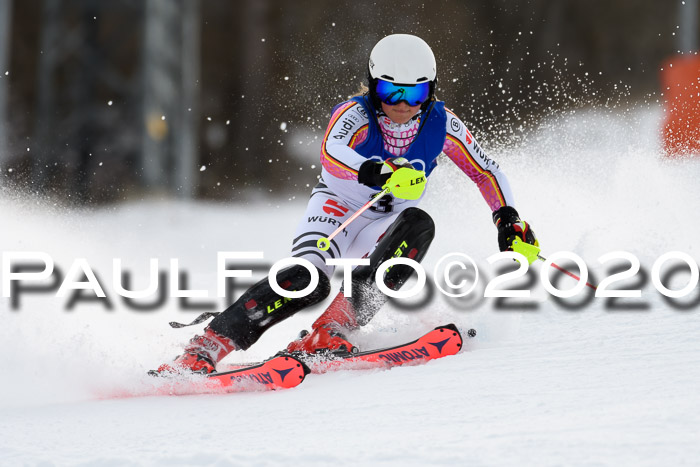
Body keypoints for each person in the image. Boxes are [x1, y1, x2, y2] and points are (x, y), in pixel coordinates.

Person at [155, 34, 537, 375]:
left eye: (415, 94)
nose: (402, 105)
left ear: (431, 91)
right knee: (306, 280)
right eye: (391, 92)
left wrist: (507, 219)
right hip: (337, 210)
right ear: (373, 87)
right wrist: (378, 172)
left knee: (418, 225)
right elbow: (330, 152)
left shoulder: (444, 125)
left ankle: (331, 330)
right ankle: (205, 348)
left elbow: (485, 171)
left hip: (382, 222)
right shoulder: (355, 114)